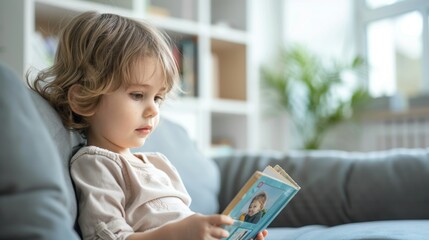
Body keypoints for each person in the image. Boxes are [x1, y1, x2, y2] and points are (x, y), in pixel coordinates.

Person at [28, 11, 267, 240]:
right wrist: (180, 235)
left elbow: (185, 220)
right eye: (137, 95)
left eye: (158, 98)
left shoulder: (158, 164)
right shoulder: (97, 165)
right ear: (83, 99)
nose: (153, 109)